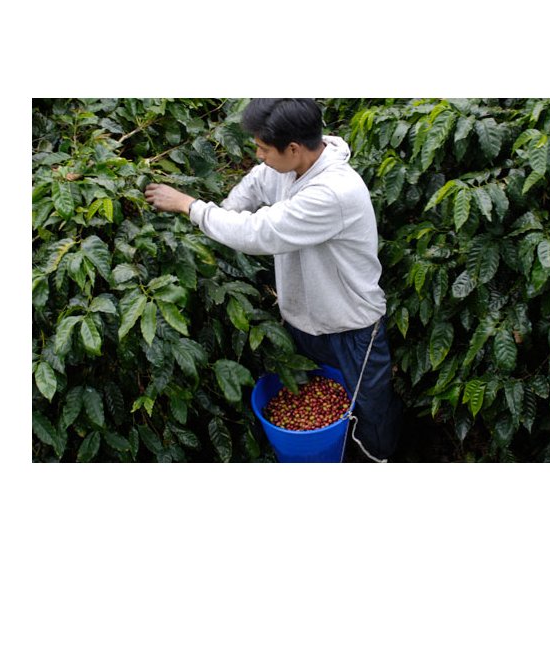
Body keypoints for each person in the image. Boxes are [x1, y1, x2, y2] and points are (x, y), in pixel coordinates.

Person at [145, 98, 401, 461]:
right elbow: (255, 184)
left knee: (370, 412)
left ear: (293, 148)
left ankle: (378, 459)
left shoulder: (333, 192)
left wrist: (191, 207)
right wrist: (226, 212)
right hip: (304, 322)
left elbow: (260, 232)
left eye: (264, 149)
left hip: (350, 328)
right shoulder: (286, 167)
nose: (259, 156)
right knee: (316, 403)